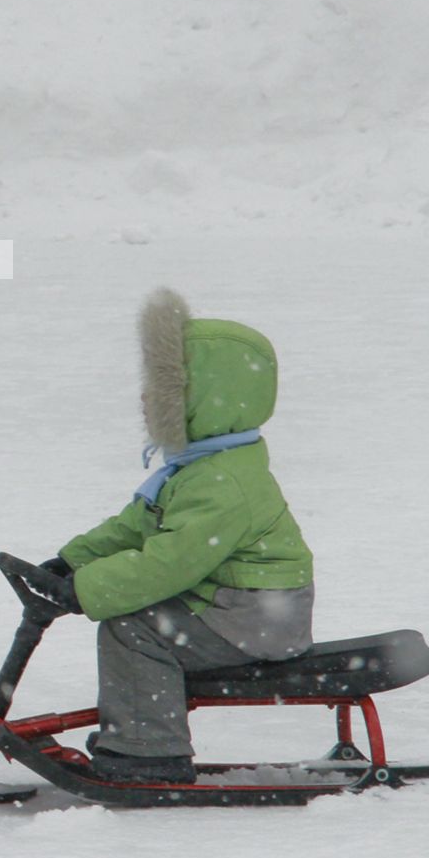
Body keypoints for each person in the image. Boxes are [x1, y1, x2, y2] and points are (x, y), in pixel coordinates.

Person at [26, 288, 316, 784]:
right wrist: (71, 561)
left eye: (162, 394)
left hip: (256, 619)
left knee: (134, 628)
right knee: (135, 618)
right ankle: (142, 735)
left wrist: (85, 590)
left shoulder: (223, 482)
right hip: (239, 610)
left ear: (204, 400)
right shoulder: (202, 467)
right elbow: (137, 524)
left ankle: (148, 753)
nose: (145, 402)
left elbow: (169, 562)